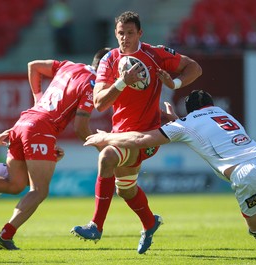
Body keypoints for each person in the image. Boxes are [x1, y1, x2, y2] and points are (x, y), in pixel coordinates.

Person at [84, 90, 256, 252]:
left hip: (247, 174)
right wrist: (176, 120)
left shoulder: (186, 124)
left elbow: (140, 139)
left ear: (190, 111)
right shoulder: (224, 114)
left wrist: (108, 136)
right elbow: (201, 128)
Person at [0, 47, 111, 250]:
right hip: (41, 128)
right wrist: (104, 149)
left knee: (16, 184)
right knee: (39, 190)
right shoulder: (91, 84)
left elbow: (33, 66)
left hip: (23, 122)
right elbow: (80, 128)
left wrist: (38, 98)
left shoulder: (69, 66)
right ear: (106, 69)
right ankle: (5, 235)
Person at [71, 11, 202, 254]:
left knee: (107, 157)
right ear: (115, 34)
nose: (125, 38)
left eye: (130, 33)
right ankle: (150, 223)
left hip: (147, 136)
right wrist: (122, 82)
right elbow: (99, 103)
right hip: (121, 133)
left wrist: (174, 84)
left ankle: (96, 226)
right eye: (121, 33)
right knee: (125, 189)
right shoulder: (109, 60)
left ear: (140, 33)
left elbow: (194, 68)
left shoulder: (155, 54)